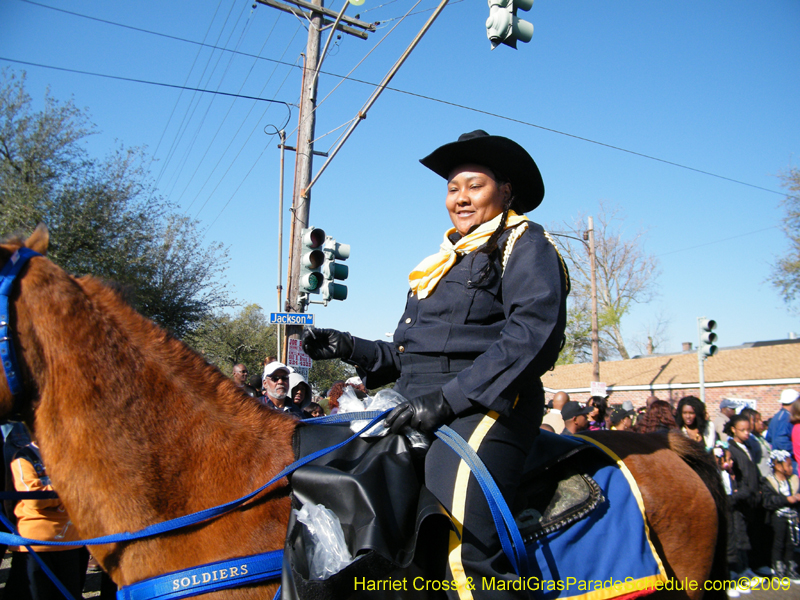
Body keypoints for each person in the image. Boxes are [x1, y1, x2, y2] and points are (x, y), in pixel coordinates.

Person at [302, 130, 569, 598]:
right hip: (421, 400)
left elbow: (532, 336)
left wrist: (447, 400)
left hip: (485, 407)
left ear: (506, 191)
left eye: (474, 186)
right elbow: (408, 359)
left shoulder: (526, 243)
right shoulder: (442, 262)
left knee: (462, 549)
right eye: (452, 188)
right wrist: (347, 346)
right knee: (328, 469)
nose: (460, 198)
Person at [6, 421, 85, 600]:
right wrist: (66, 491)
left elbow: (85, 491)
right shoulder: (23, 457)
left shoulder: (74, 456)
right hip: (36, 545)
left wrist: (56, 492)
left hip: (71, 542)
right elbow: (34, 499)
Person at [725, 414, 761, 581]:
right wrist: (742, 492)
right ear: (733, 429)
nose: (747, 433)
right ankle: (738, 570)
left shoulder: (748, 446)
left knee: (746, 534)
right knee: (738, 536)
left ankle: (746, 568)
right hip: (740, 499)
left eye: (748, 429)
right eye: (742, 430)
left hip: (751, 498)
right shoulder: (731, 449)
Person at [761, 449, 800, 581]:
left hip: (792, 517)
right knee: (779, 543)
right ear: (777, 466)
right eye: (788, 465)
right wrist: (786, 499)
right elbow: (768, 501)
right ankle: (778, 568)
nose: (791, 468)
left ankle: (791, 567)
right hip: (778, 517)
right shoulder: (769, 482)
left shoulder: (793, 481)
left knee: (791, 543)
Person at [766, 389, 800, 474]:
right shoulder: (786, 418)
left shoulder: (777, 416)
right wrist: (795, 451)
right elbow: (780, 440)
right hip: (789, 462)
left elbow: (769, 439)